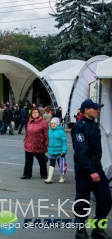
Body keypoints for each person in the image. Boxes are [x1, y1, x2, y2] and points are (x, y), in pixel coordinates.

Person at [71, 99, 111, 239]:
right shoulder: (79, 127)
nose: (98, 111)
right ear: (86, 110)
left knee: (105, 197)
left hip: (96, 166)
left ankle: (98, 229)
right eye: (95, 109)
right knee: (83, 201)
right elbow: (81, 153)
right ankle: (80, 231)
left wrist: (97, 169)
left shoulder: (94, 126)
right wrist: (91, 171)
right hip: (84, 169)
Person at [21, 108, 48, 179]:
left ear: (39, 113)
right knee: (28, 160)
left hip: (39, 144)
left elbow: (46, 134)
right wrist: (25, 141)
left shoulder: (43, 122)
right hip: (29, 144)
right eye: (33, 113)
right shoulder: (29, 122)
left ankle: (44, 174)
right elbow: (27, 133)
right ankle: (27, 174)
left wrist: (46, 142)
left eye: (36, 112)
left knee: (41, 161)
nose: (34, 114)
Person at [44, 117, 67, 184]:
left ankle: (62, 177)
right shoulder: (50, 131)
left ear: (58, 124)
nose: (53, 125)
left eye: (54, 123)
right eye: (52, 123)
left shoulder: (61, 132)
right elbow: (48, 140)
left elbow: (64, 142)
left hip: (60, 151)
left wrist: (64, 151)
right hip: (52, 151)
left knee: (61, 164)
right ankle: (49, 178)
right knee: (51, 164)